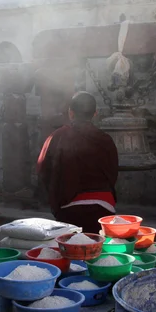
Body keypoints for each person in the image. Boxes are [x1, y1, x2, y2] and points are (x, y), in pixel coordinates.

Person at [37, 91, 119, 233]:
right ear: (95, 114)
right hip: (105, 207)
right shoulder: (106, 140)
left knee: (72, 249)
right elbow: (113, 173)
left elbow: (43, 168)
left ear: (71, 113)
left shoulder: (58, 136)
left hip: (69, 208)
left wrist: (56, 198)